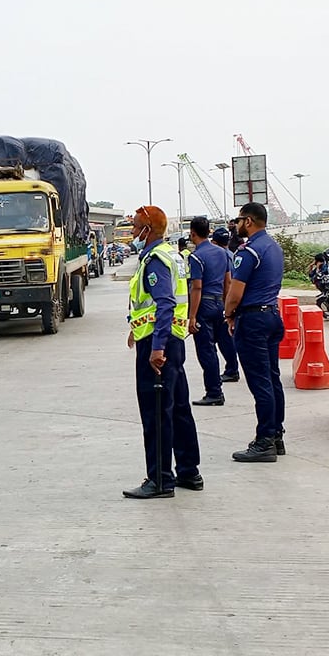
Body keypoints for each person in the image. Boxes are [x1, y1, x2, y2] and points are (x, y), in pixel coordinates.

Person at [123, 205, 201, 499]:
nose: (131, 233)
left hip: (160, 347)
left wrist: (155, 348)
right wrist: (137, 327)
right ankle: (189, 472)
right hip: (174, 341)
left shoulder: (155, 260)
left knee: (155, 413)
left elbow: (165, 302)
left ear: (148, 230)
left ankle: (159, 480)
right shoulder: (174, 255)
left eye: (135, 228)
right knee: (178, 408)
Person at [225, 202, 287, 463]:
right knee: (272, 378)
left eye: (238, 221)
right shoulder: (273, 247)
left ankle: (264, 442)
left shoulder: (248, 251)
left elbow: (235, 292)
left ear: (248, 221)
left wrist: (228, 314)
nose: (236, 226)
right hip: (272, 314)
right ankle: (276, 434)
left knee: (260, 382)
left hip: (252, 320)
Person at [187, 217, 240, 407]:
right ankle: (229, 372)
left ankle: (214, 392)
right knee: (223, 343)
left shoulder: (195, 257)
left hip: (204, 306)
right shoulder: (222, 253)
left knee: (207, 352)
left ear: (193, 233)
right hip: (220, 303)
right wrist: (228, 309)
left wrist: (192, 316)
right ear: (208, 232)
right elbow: (228, 282)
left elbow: (197, 288)